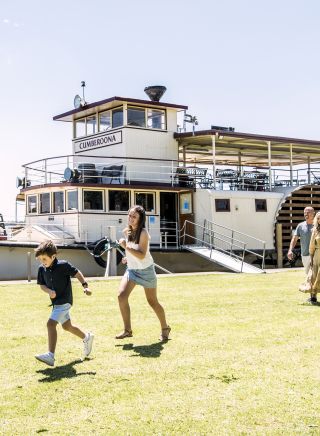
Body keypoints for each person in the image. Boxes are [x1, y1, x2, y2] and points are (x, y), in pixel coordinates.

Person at [115, 205, 171, 341]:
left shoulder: (144, 233)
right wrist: (127, 257)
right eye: (129, 215)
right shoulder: (127, 231)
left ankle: (165, 328)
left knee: (152, 302)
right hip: (132, 270)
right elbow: (133, 252)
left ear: (140, 219)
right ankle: (127, 330)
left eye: (134, 217)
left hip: (146, 271)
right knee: (121, 296)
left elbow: (141, 255)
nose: (131, 218)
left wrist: (125, 246)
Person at [34, 240, 94, 366]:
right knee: (67, 326)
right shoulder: (41, 269)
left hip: (65, 301)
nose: (42, 262)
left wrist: (85, 286)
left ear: (53, 256)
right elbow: (42, 286)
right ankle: (87, 337)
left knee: (50, 324)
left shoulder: (63, 265)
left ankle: (50, 355)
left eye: (44, 259)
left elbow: (77, 273)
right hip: (56, 303)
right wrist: (49, 291)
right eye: (40, 259)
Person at [288, 206, 316, 303]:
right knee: (309, 276)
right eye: (305, 212)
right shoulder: (300, 226)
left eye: (308, 212)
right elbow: (294, 239)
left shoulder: (317, 225)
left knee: (313, 275)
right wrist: (290, 250)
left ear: (313, 213)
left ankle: (313, 297)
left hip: (316, 255)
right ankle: (313, 296)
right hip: (305, 255)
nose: (306, 214)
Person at [308, 211, 320, 303]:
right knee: (314, 275)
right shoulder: (315, 230)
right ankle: (313, 296)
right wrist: (311, 257)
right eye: (318, 218)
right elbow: (312, 245)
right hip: (317, 255)